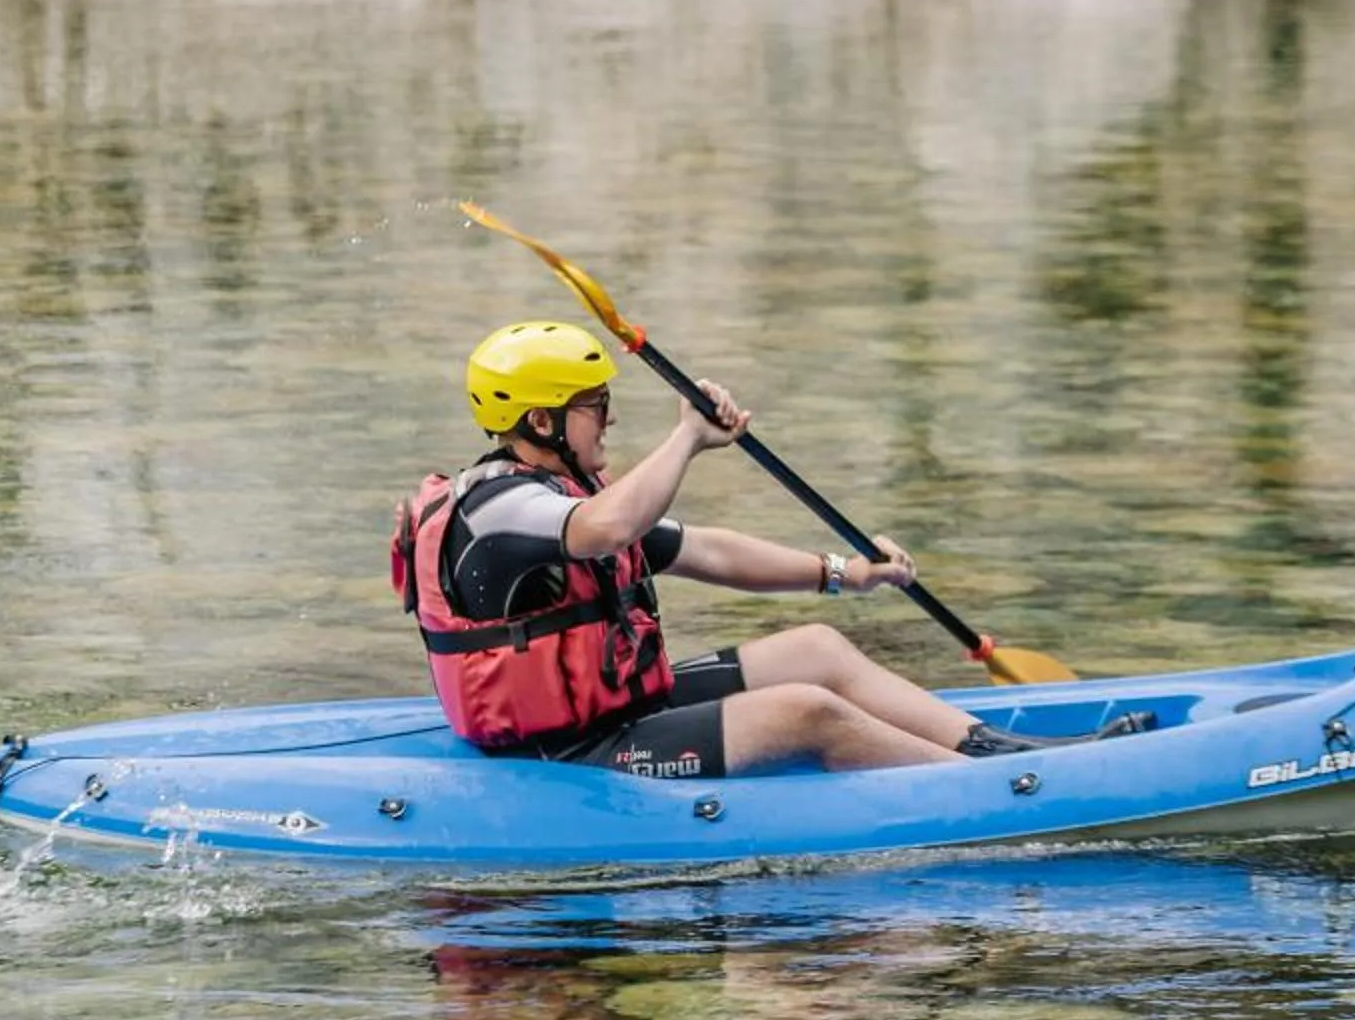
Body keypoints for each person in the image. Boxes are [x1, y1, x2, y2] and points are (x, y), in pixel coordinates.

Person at [391, 320, 1135, 777]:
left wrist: (849, 574)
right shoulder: (501, 509)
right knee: (806, 711)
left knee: (816, 649)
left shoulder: (563, 494)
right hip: (563, 752)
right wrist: (688, 437)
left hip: (614, 710)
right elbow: (609, 530)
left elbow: (708, 551)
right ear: (540, 421)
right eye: (595, 409)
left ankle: (1000, 754)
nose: (608, 422)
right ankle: (995, 795)